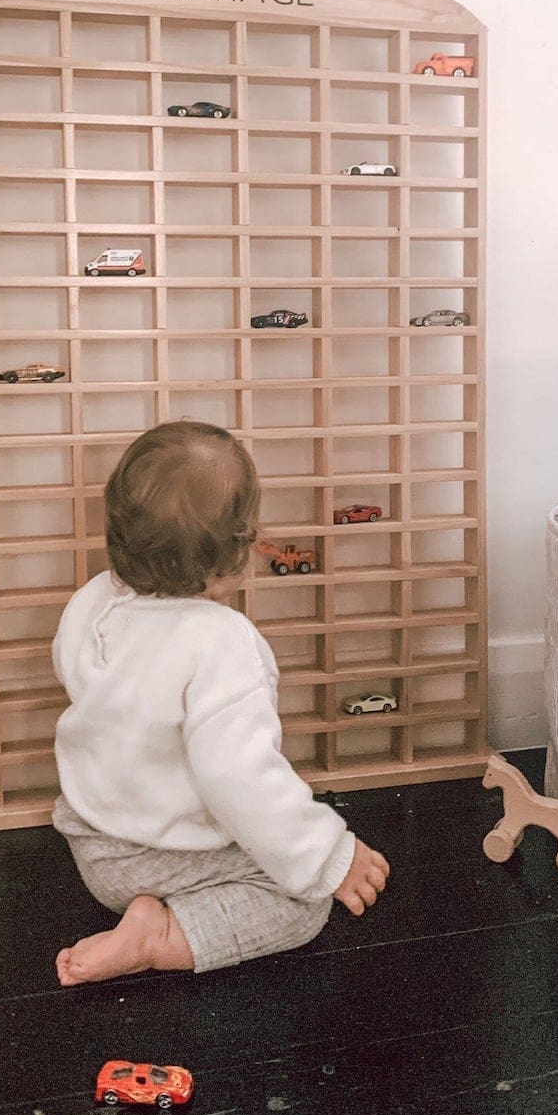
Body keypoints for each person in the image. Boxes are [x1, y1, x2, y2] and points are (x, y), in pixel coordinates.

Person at [52, 419, 390, 985]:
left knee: (282, 864)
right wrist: (327, 854)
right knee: (302, 902)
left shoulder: (92, 600)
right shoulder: (219, 641)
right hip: (159, 854)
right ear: (236, 555)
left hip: (92, 841)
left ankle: (147, 918)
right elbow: (241, 778)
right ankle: (161, 938)